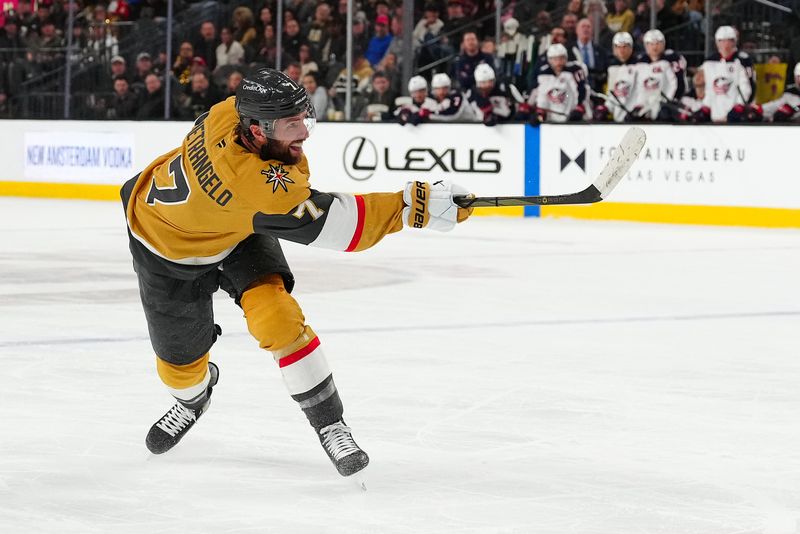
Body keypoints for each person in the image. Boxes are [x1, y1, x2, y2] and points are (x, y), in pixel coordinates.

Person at [119, 68, 473, 479]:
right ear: (256, 130)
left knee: (278, 319)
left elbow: (275, 188)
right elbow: (344, 228)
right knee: (180, 374)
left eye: (304, 118)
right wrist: (417, 206)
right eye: (292, 124)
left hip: (235, 230)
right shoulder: (254, 185)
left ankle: (330, 424)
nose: (303, 131)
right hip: (164, 252)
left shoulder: (227, 113)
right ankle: (193, 399)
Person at [699, 26, 756, 123]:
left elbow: (748, 88)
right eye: (722, 41)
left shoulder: (742, 60)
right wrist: (706, 107)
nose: (726, 44)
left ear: (735, 42)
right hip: (715, 114)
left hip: (736, 113)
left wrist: (739, 106)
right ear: (717, 42)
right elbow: (707, 89)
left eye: (730, 40)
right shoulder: (709, 62)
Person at [630, 29, 685, 121]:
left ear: (664, 44)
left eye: (658, 43)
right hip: (646, 103)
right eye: (651, 44)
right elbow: (637, 86)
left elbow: (678, 83)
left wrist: (671, 100)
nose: (655, 47)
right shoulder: (640, 62)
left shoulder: (672, 59)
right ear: (646, 45)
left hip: (667, 103)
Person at [528, 43, 588, 123]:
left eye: (561, 58)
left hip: (572, 114)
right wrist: (540, 112)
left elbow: (583, 91)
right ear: (549, 60)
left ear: (566, 58)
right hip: (551, 116)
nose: (559, 62)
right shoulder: (543, 73)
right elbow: (542, 93)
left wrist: (579, 107)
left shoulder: (575, 71)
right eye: (555, 59)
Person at [603, 32, 638, 122]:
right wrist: (606, 108)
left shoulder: (640, 66)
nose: (621, 50)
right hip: (618, 117)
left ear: (631, 48)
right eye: (618, 47)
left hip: (636, 116)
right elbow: (611, 93)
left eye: (625, 46)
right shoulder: (611, 67)